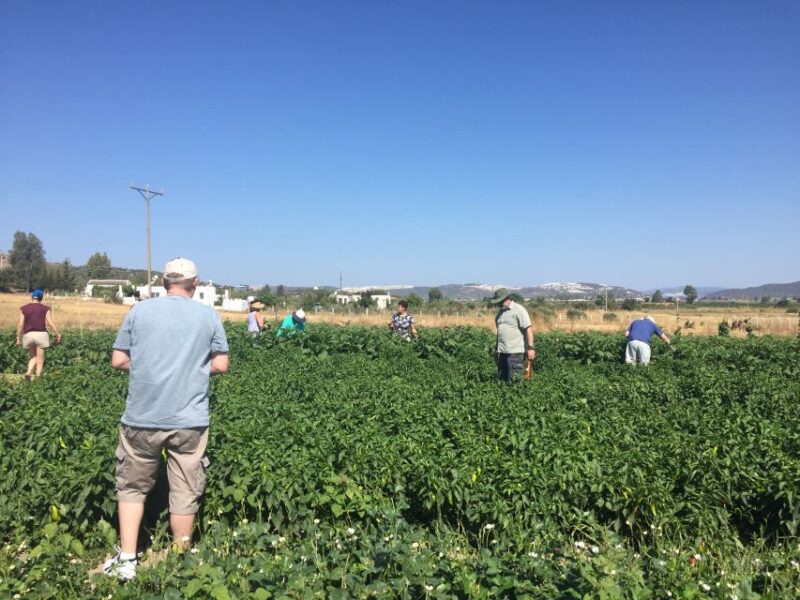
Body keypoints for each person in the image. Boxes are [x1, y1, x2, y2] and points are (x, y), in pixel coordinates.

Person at [103, 258, 229, 581]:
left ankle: (128, 559)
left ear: (163, 282)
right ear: (195, 283)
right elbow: (221, 365)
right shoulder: (208, 315)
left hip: (142, 416)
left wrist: (147, 368)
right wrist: (193, 370)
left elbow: (118, 360)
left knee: (131, 485)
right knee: (186, 488)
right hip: (190, 418)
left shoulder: (140, 312)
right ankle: (180, 561)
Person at [16, 288, 61, 381]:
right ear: (41, 298)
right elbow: (50, 323)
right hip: (41, 335)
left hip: (28, 335)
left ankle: (28, 373)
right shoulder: (45, 308)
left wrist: (18, 338)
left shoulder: (24, 308)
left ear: (32, 297)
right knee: (40, 360)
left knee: (33, 357)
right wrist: (58, 334)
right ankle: (37, 381)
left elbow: (20, 324)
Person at [491, 289, 535, 382]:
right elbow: (499, 333)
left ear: (505, 299)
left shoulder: (519, 310)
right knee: (502, 379)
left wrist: (530, 348)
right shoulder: (500, 313)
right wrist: (496, 350)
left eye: (498, 302)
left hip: (515, 352)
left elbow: (528, 328)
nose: (497, 304)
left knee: (515, 381)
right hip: (502, 352)